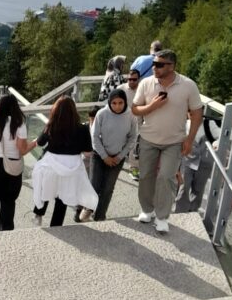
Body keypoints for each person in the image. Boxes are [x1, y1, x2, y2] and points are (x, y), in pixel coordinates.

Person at [131, 49, 203, 234]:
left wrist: (190, 139)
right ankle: (147, 210)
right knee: (146, 176)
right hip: (148, 139)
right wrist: (152, 106)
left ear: (172, 66)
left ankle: (162, 217)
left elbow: (197, 114)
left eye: (159, 64)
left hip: (174, 141)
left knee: (166, 177)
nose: (154, 67)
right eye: (154, 64)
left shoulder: (188, 85)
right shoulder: (146, 83)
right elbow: (135, 109)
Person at [32, 95, 97, 227]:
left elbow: (40, 142)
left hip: (51, 165)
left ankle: (38, 215)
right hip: (71, 168)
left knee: (45, 190)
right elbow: (87, 151)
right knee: (62, 197)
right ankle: (56, 226)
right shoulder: (83, 129)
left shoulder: (51, 126)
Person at [0, 93, 36, 232]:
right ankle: (5, 227)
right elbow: (22, 150)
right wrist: (35, 143)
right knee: (9, 199)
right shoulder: (19, 123)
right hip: (12, 165)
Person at [84, 88, 137, 221]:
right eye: (114, 103)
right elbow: (94, 136)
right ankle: (86, 208)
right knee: (94, 185)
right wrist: (104, 156)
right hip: (99, 155)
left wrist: (119, 156)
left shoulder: (131, 115)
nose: (117, 106)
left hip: (117, 158)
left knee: (108, 189)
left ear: (125, 102)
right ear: (109, 102)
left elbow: (132, 138)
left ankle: (100, 216)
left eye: (120, 103)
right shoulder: (102, 114)